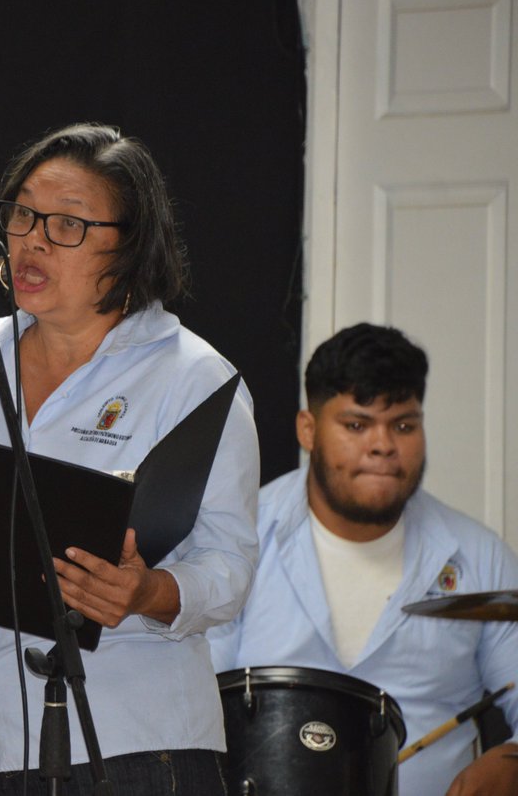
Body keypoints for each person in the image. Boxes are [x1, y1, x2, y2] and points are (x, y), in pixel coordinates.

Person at [0, 123, 260, 795]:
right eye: (23, 213)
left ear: (130, 243)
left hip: (129, 739)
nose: (33, 240)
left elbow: (231, 563)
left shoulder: (195, 377)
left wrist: (149, 591)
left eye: (67, 224)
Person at [207, 323, 518, 796]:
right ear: (308, 430)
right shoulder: (241, 538)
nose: (383, 445)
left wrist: (511, 762)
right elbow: (199, 708)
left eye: (403, 425)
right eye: (356, 424)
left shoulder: (477, 554)